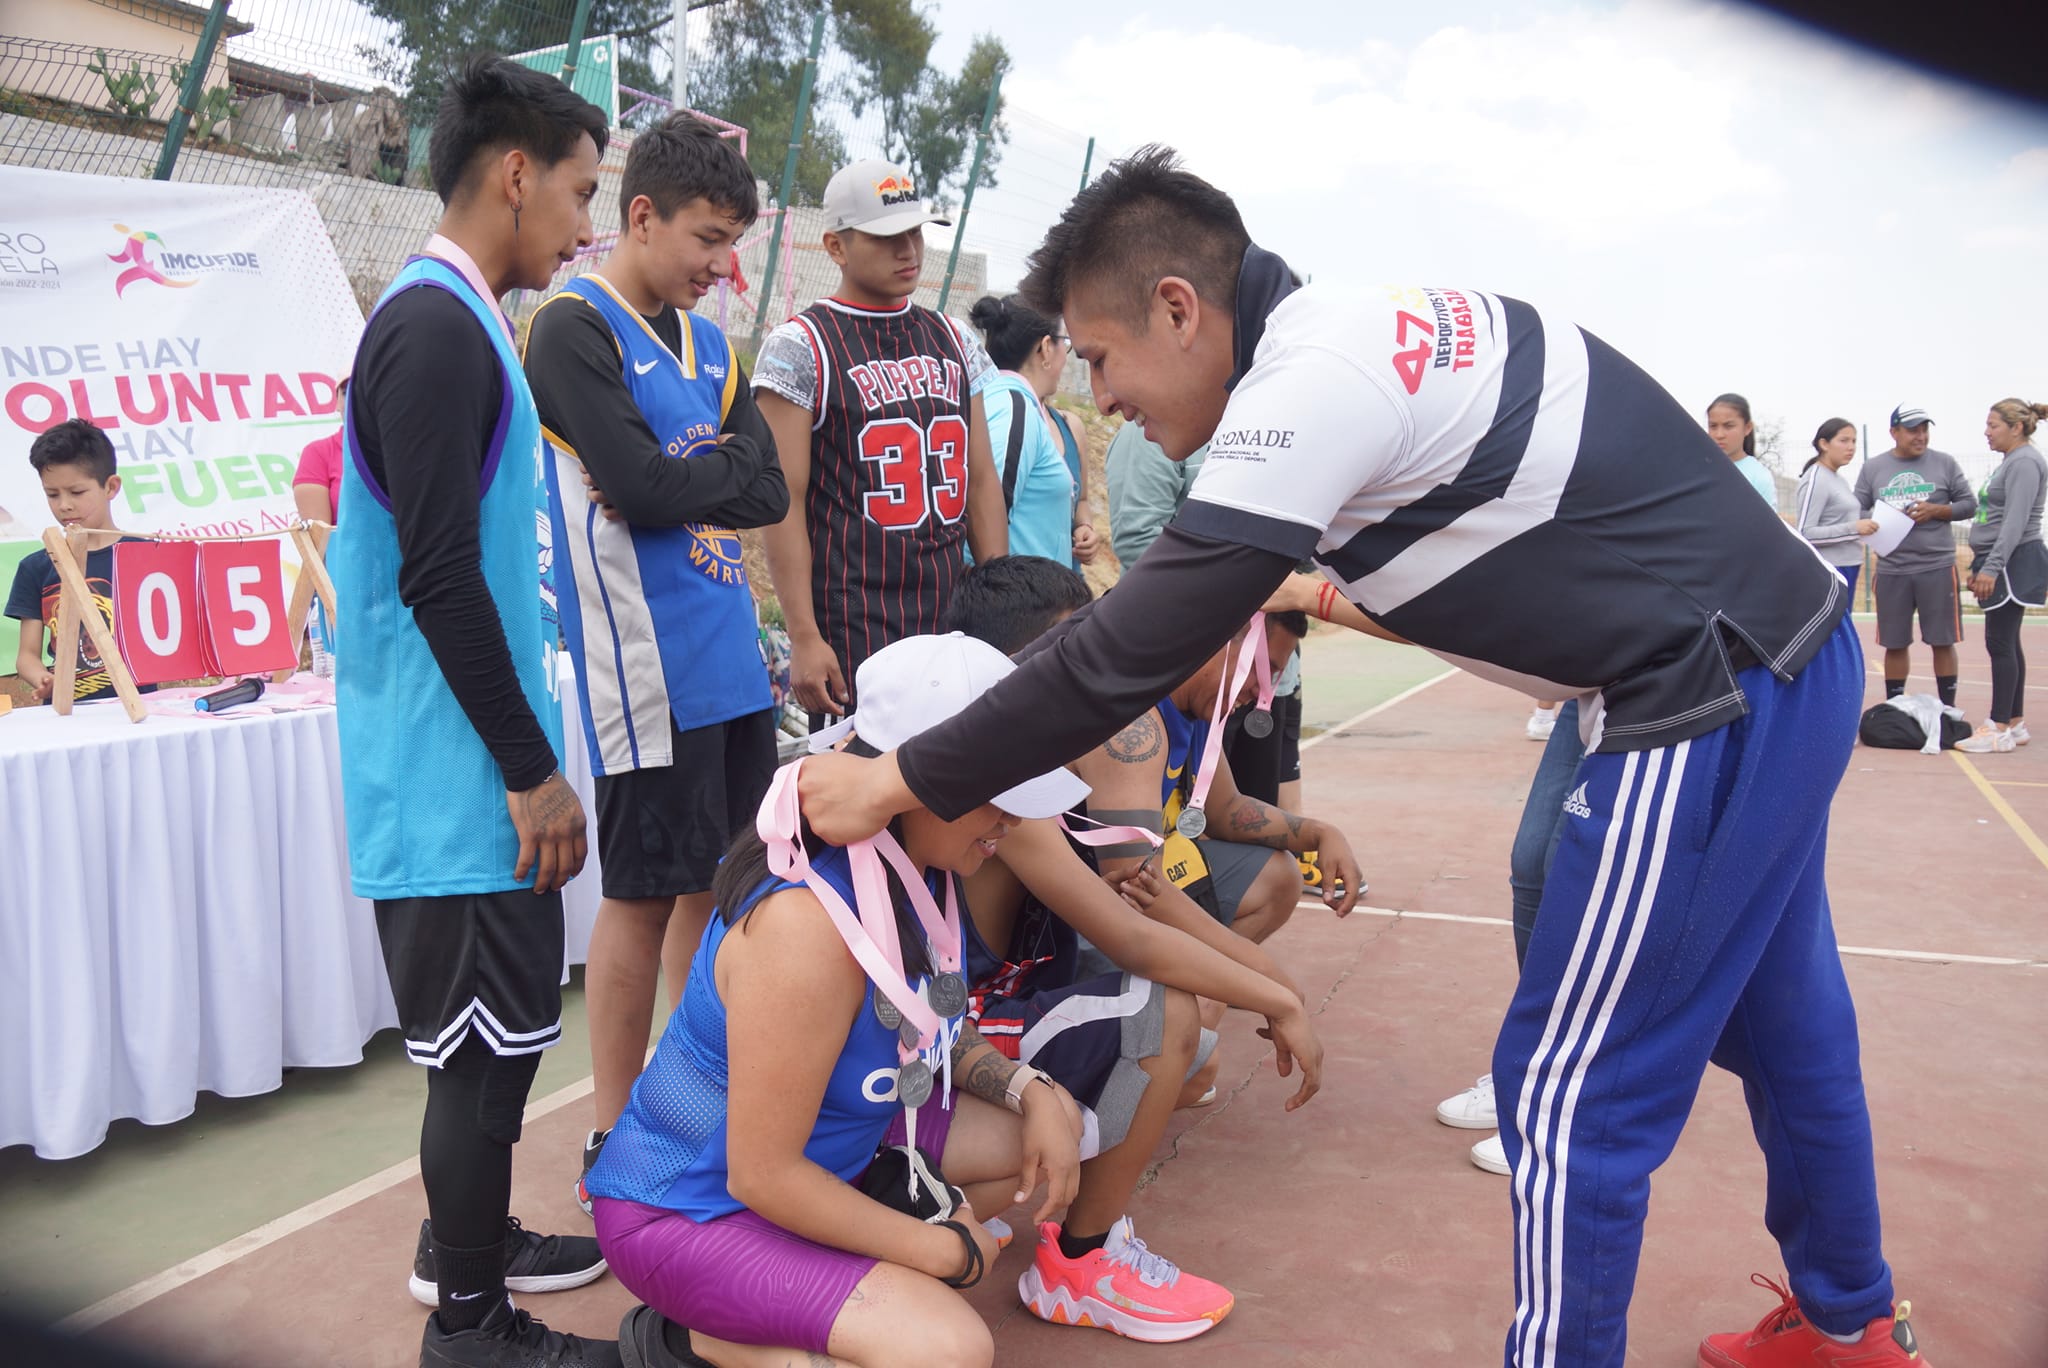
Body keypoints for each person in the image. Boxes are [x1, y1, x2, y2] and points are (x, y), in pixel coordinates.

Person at [795, 147, 1930, 1368]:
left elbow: (1122, 647)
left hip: (1699, 698)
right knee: (1789, 1025)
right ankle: (1846, 1319)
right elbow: (1463, 567)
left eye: (1107, 361)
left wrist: (900, 777)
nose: (1105, 399)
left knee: (1568, 1102)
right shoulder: (1365, 336)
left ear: (1179, 307)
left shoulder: (1308, 378)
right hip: (1780, 662)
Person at [584, 632, 1094, 1368]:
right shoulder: (806, 927)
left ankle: (791, 1306)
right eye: (996, 796)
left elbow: (929, 1024)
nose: (1012, 821)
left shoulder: (920, 858)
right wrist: (940, 1252)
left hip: (821, 1163)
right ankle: (690, 1340)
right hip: (688, 1210)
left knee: (1050, 1138)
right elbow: (759, 1174)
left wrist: (1029, 1089)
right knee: (948, 1350)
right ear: (920, 778)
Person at [328, 55, 614, 1366]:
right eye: (578, 192)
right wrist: (529, 766)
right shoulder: (436, 326)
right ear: (515, 174)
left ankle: (476, 1244)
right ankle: (469, 1326)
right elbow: (437, 571)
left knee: (499, 1040)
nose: (584, 224)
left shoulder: (461, 320)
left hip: (467, 769)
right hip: (455, 777)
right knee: (477, 1055)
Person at [937, 555, 1323, 1339]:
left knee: (1167, 1057)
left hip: (943, 1032)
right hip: (916, 1054)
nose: (1085, 669)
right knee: (1158, 1023)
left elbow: (1149, 898)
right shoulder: (1043, 763)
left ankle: (959, 1209)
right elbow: (1134, 932)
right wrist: (1277, 993)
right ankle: (1076, 1260)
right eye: (1072, 651)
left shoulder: (1016, 781)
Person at [521, 112, 791, 1213]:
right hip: (644, 668)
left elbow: (768, 490)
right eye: (706, 239)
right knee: (638, 896)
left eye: (732, 242)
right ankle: (610, 1130)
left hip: (729, 659)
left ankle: (683, 1098)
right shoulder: (569, 327)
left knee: (711, 890)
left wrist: (691, 479)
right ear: (641, 215)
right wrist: (703, 476)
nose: (720, 265)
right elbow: (633, 491)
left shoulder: (712, 345)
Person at [753, 159, 1008, 731]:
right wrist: (803, 635)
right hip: (857, 624)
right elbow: (783, 501)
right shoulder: (801, 346)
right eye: (887, 236)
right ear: (836, 247)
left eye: (915, 232)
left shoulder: (953, 336)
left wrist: (1006, 603)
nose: (909, 249)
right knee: (867, 802)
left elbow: (981, 477)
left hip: (952, 615)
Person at [6, 420, 154, 705]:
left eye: (76, 493)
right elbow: (27, 655)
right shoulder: (36, 567)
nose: (64, 505)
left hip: (142, 709)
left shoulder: (145, 557)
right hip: (69, 716)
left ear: (110, 487)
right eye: (52, 494)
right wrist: (43, 678)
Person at [1855, 405, 1976, 706]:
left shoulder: (1945, 463)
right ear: (1894, 432)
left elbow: (1969, 505)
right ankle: (1895, 706)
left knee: (1942, 641)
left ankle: (1948, 709)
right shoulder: (1873, 468)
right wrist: (1881, 516)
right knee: (1894, 643)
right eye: (1913, 430)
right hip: (1893, 568)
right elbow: (1855, 508)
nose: (1920, 436)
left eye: (1924, 429)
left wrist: (1936, 510)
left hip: (1936, 565)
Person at [967, 294, 1091, 567]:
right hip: (1019, 603)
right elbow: (981, 515)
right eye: (1065, 344)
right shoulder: (1013, 407)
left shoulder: (999, 401)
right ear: (1046, 348)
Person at [1956, 398, 2048, 754]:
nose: (1987, 432)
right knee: (2008, 642)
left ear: (2017, 427)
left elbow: (2015, 522)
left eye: (1993, 425)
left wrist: (1991, 568)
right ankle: (2014, 722)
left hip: (2013, 562)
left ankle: (1997, 727)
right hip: (2003, 560)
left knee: (2000, 643)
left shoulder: (2025, 462)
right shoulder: (2013, 461)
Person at [1795, 418, 1878, 597]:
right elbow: (1805, 533)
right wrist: (1854, 528)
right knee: (1839, 625)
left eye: (1854, 441)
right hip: (1830, 569)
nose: (1851, 447)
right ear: (1824, 444)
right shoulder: (1816, 479)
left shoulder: (1839, 479)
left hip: (1850, 567)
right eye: (1844, 440)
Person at [1706, 393, 1779, 506]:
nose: (1719, 434)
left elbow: (1764, 522)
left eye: (1728, 426)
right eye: (1713, 426)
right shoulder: (1697, 469)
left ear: (1747, 428)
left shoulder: (1759, 476)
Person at [292, 376, 347, 525]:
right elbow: (320, 543)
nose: (354, 400)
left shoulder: (408, 448)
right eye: (346, 392)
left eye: (362, 390)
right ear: (337, 403)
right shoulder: (318, 453)